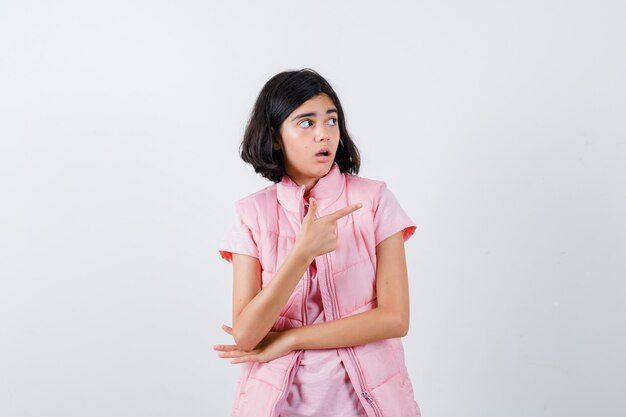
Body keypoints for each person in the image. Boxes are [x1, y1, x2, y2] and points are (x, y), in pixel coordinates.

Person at [214, 68, 421, 417]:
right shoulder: (251, 214)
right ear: (275, 137)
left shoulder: (374, 201)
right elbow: (246, 336)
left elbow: (395, 319)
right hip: (278, 405)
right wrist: (301, 254)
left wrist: (292, 338)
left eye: (331, 120)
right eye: (306, 123)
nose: (324, 134)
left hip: (367, 404)